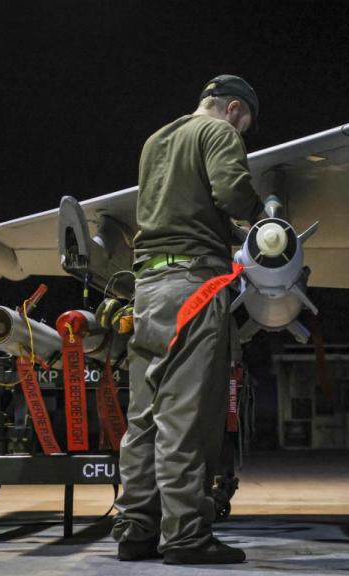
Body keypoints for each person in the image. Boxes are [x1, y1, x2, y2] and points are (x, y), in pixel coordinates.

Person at [111, 75, 264, 565]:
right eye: (245, 124)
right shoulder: (219, 132)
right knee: (187, 414)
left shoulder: (157, 140)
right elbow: (232, 193)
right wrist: (264, 219)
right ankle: (186, 537)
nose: (242, 132)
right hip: (194, 286)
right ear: (233, 108)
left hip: (148, 288)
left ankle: (135, 527)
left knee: (144, 416)